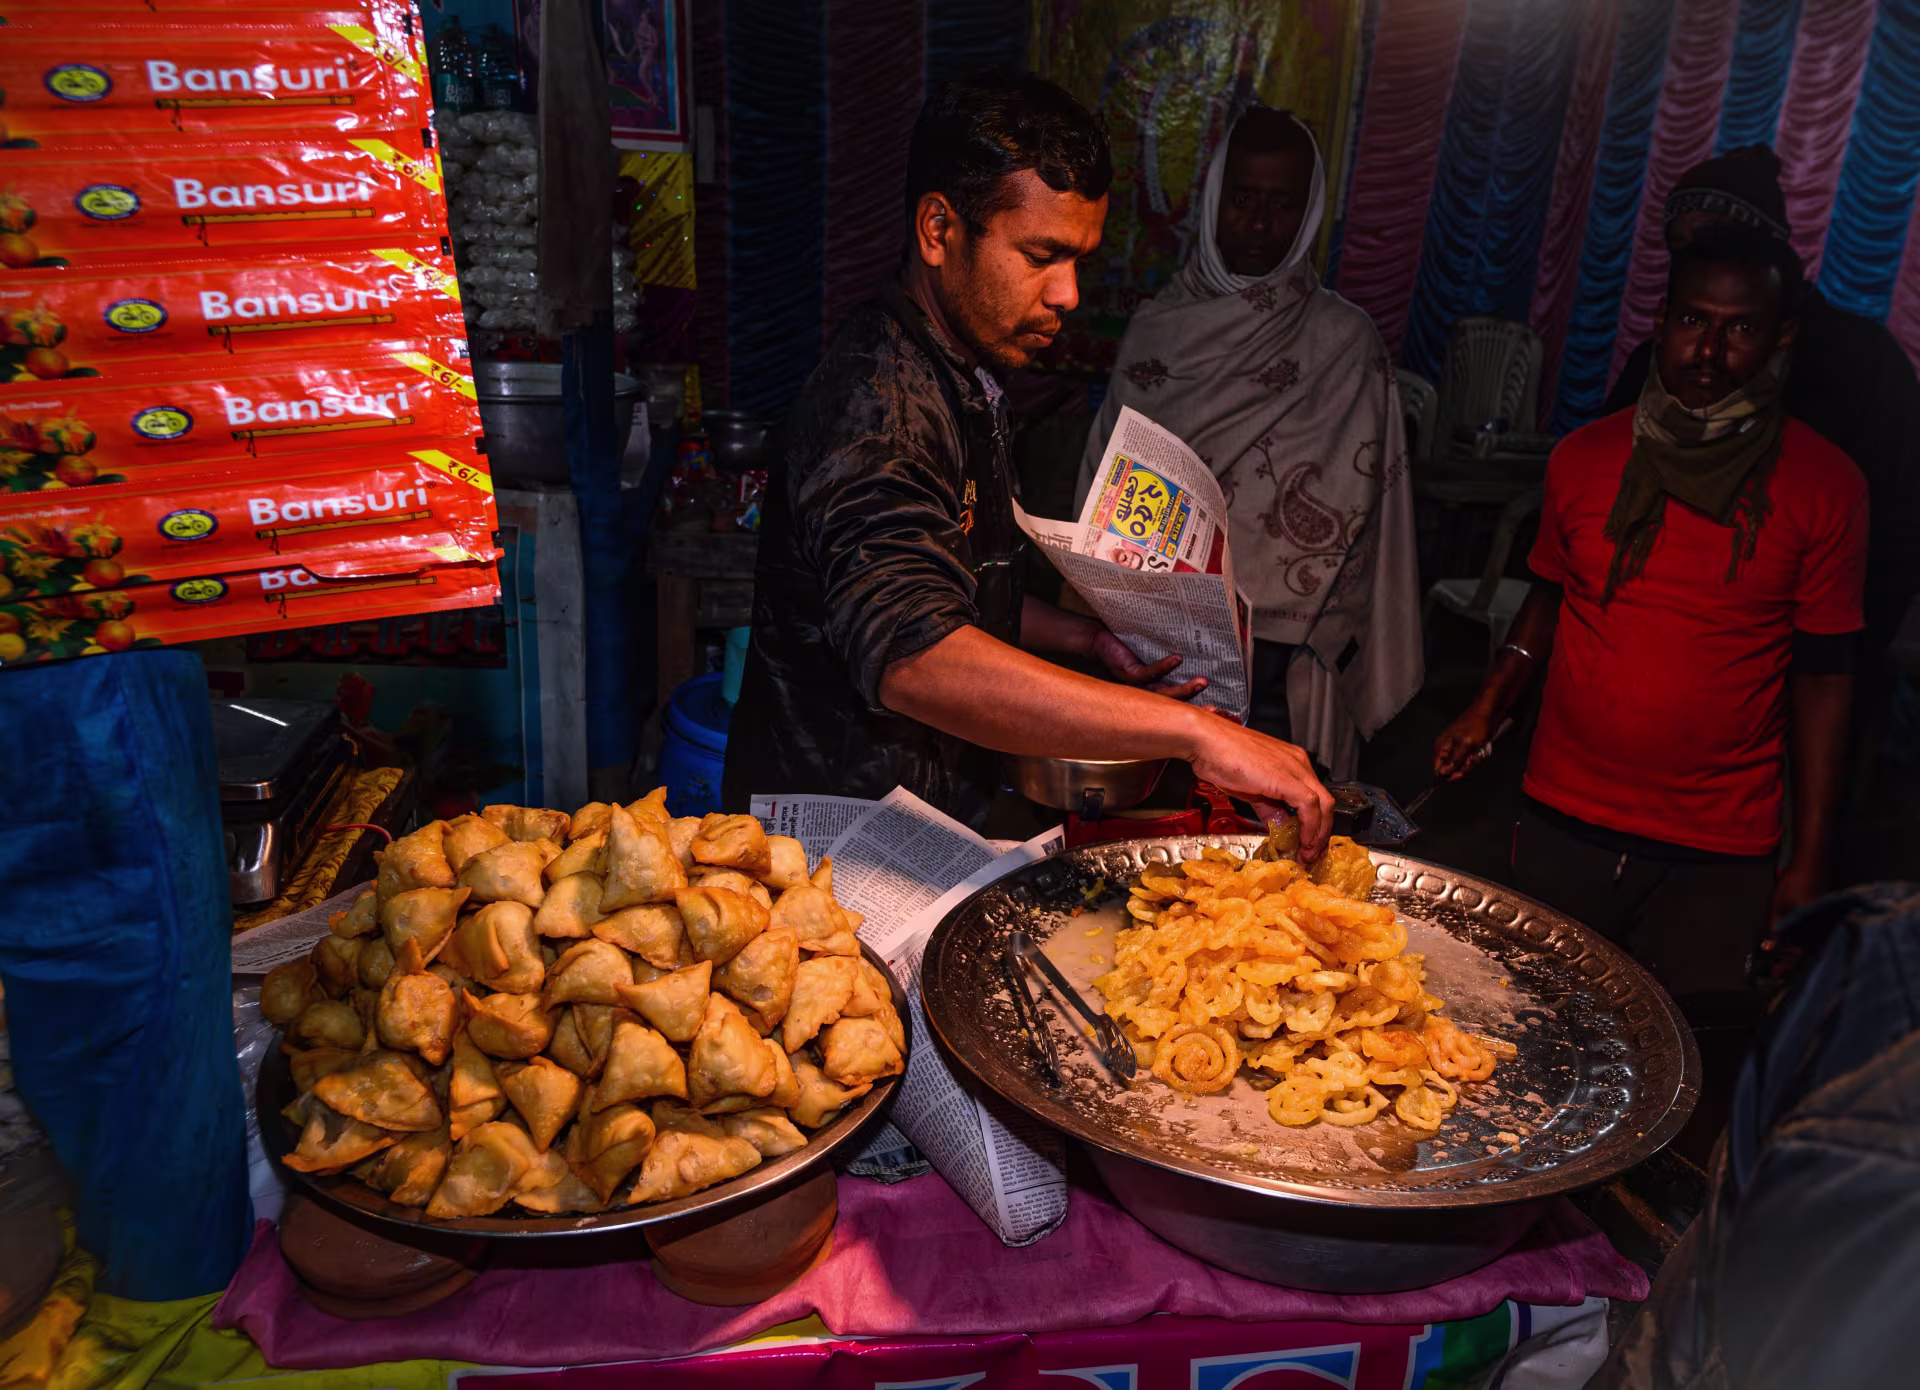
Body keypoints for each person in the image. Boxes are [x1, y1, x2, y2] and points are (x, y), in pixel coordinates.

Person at [724, 73, 1333, 853]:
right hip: (837, 839)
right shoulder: (878, 406)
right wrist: (1195, 735)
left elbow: (950, 579)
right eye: (1041, 255)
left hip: (930, 807)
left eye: (1079, 259)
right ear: (939, 229)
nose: (1069, 293)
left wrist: (1082, 641)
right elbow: (915, 655)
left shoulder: (959, 364)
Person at [1432, 227, 1867, 1143]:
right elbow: (1548, 600)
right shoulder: (1585, 461)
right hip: (1564, 818)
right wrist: (1486, 705)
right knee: (1528, 1048)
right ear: (1660, 324)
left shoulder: (1826, 487)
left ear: (1783, 337)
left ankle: (1640, 1267)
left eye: (1739, 330)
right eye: (1690, 322)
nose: (1708, 352)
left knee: (1680, 1079)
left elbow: (1826, 684)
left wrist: (1810, 857)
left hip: (1716, 846)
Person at [1077, 107, 1421, 780]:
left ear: (1311, 212)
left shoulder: (1344, 343)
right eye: (1244, 200)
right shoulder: (1158, 330)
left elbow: (1368, 508)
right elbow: (1107, 481)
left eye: (1282, 204)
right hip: (1160, 641)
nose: (1260, 223)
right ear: (1213, 201)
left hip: (1284, 655)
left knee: (1274, 841)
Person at [1606, 144, 1920, 675]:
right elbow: (1604, 483)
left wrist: (1838, 663)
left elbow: (1895, 529)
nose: (1700, 267)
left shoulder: (1863, 364)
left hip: (1801, 655)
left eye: (1718, 246)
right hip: (1656, 646)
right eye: (1681, 250)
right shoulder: (1655, 361)